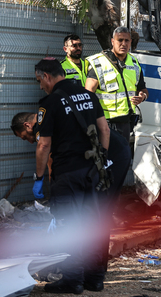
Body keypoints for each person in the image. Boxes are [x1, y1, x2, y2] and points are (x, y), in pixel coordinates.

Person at [10, 111, 131, 287]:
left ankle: (91, 272)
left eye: (24, 137)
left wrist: (55, 193)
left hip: (112, 153)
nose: (28, 141)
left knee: (97, 212)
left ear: (27, 125)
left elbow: (52, 161)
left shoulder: (41, 128)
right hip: (112, 150)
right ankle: (95, 273)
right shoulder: (53, 116)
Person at [32, 58, 110, 294]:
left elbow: (44, 145)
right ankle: (95, 279)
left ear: (46, 76)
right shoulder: (88, 95)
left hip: (68, 174)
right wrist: (102, 161)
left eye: (39, 81)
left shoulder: (49, 103)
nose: (40, 86)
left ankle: (73, 280)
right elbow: (104, 129)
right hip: (93, 171)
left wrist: (38, 178)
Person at [85, 26, 148, 143]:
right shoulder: (99, 63)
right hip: (105, 124)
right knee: (105, 158)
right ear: (112, 42)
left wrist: (142, 96)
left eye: (127, 40)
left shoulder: (134, 63)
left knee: (122, 159)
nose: (123, 44)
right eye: (120, 40)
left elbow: (143, 89)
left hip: (126, 123)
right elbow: (87, 95)